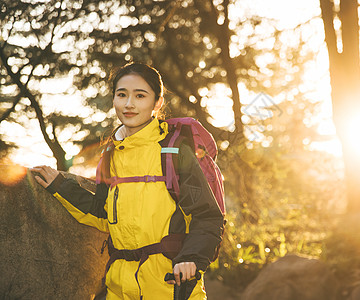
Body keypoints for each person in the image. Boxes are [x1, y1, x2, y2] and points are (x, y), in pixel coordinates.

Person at [31, 62, 224, 299]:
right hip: (119, 288)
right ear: (114, 99)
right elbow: (102, 215)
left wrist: (191, 259)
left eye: (140, 96)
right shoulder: (110, 156)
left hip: (171, 286)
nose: (129, 104)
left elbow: (208, 216)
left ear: (158, 102)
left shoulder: (174, 152)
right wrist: (60, 186)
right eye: (121, 95)